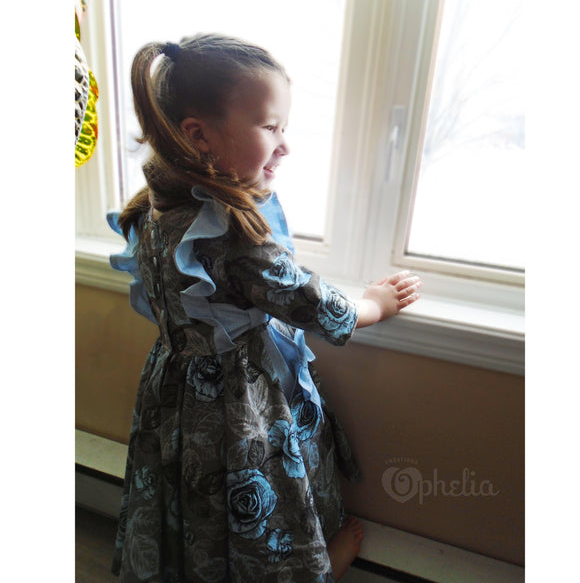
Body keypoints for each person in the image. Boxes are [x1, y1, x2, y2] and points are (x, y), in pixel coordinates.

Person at [108, 33, 422, 583]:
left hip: (175, 387)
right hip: (237, 398)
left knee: (195, 493)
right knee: (261, 497)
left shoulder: (153, 208)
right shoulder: (230, 231)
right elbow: (318, 307)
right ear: (199, 135)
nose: (285, 145)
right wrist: (374, 302)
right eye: (271, 127)